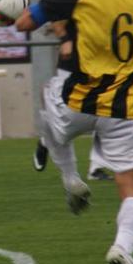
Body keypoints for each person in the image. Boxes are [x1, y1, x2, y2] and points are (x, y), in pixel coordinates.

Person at [15, 0, 133, 264]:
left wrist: (11, 8)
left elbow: (25, 22)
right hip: (129, 106)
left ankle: (69, 176)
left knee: (48, 102)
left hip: (81, 100)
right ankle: (123, 247)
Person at [33, 25, 114, 184]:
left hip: (97, 64)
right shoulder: (72, 4)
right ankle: (46, 140)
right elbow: (52, 20)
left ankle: (96, 168)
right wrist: (64, 36)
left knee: (106, 111)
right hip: (70, 68)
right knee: (62, 127)